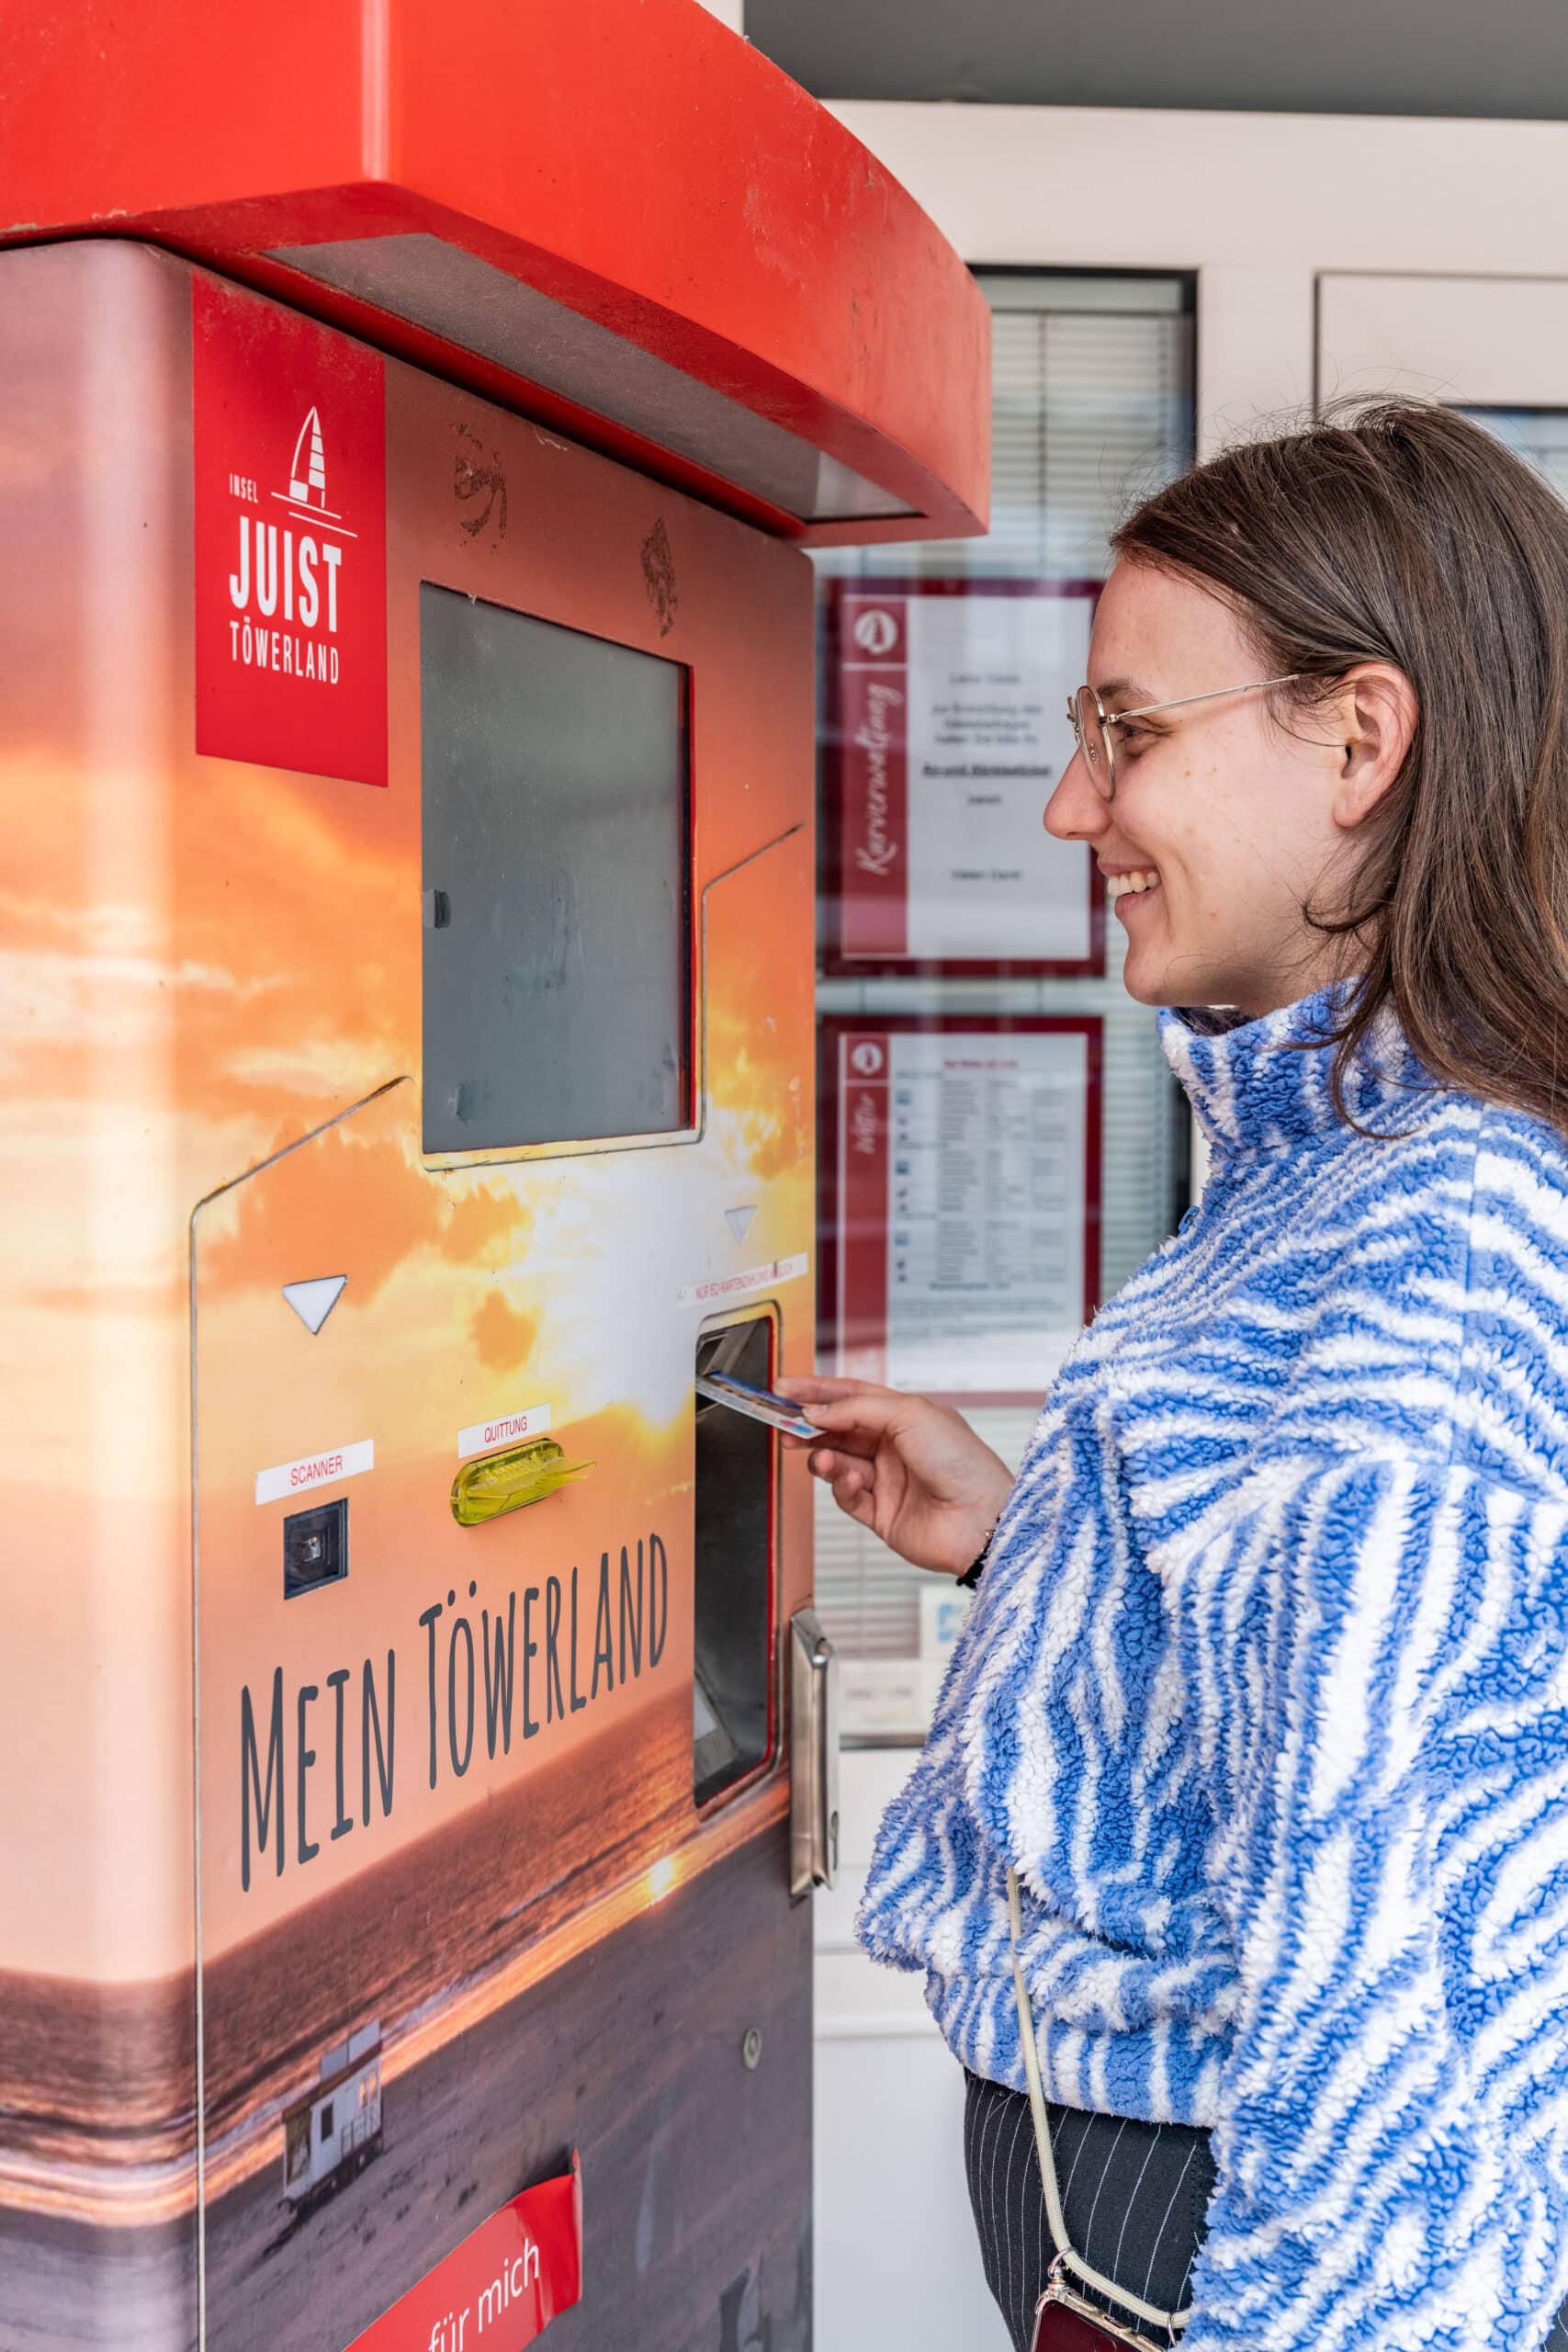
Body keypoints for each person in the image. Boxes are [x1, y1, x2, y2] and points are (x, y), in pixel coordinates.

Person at [782, 403, 1568, 2352]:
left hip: (1215, 2250)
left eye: (1124, 730)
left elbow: (1398, 2027)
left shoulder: (1438, 1236)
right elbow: (1312, 1682)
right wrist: (1030, 1531)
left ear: (1358, 739)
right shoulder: (1337, 1160)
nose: (1071, 805)